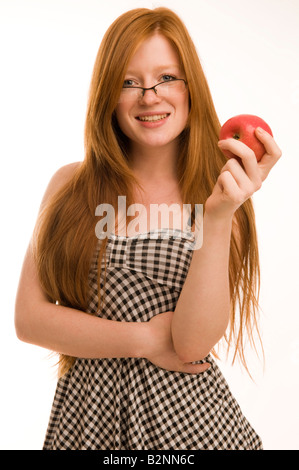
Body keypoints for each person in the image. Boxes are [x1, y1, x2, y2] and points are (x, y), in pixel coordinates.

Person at [14, 7, 281, 450]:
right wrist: (145, 339)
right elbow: (30, 318)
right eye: (128, 82)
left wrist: (217, 217)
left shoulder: (223, 192)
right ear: (108, 95)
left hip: (190, 426)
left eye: (167, 78)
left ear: (190, 86)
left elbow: (193, 343)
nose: (150, 96)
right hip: (88, 421)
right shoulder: (70, 186)